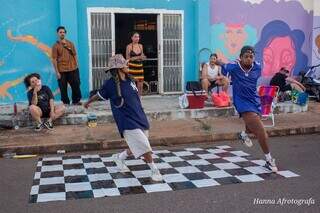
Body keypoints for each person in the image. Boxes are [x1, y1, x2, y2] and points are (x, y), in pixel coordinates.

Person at [84, 54, 163, 182]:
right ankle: (154, 170)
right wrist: (88, 102)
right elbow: (98, 94)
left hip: (139, 116)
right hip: (126, 120)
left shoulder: (130, 79)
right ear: (118, 68)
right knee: (143, 146)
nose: (127, 65)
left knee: (136, 146)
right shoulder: (110, 84)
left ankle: (119, 158)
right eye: (125, 64)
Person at [221, 46, 278, 172]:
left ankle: (244, 134)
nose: (248, 59)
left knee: (253, 125)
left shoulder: (257, 67)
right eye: (245, 56)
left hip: (254, 100)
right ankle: (269, 160)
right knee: (261, 130)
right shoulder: (234, 66)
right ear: (240, 58)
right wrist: (223, 75)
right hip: (241, 102)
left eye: (251, 56)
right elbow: (223, 67)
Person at [52, 26, 82, 105]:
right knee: (63, 88)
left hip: (73, 68)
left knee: (76, 85)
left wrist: (77, 65)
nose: (62, 34)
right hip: (61, 70)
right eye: (60, 32)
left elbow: (75, 55)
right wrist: (57, 72)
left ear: (65, 33)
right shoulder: (55, 46)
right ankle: (66, 103)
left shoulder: (70, 44)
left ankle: (76, 101)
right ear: (57, 34)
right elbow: (54, 59)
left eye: (63, 32)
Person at [126, 32, 146, 96]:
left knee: (140, 84)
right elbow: (128, 58)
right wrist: (139, 57)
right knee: (131, 84)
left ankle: (139, 99)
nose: (137, 38)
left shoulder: (141, 46)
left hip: (140, 66)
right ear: (132, 38)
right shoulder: (129, 46)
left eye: (138, 37)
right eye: (135, 37)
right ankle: (132, 98)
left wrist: (143, 58)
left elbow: (142, 56)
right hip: (132, 67)